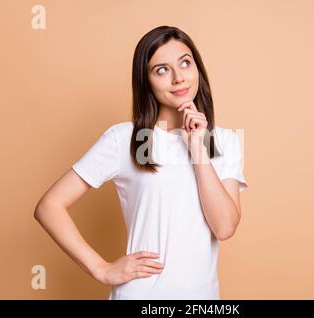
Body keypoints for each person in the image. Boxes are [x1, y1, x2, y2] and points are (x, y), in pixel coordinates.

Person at [34, 25, 248, 300]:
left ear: (198, 69)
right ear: (145, 81)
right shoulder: (124, 139)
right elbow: (49, 207)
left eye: (185, 63)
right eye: (162, 70)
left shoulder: (225, 141)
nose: (178, 78)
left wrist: (197, 147)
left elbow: (224, 227)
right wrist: (101, 269)